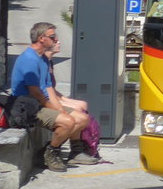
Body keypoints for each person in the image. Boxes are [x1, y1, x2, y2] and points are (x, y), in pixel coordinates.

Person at [10, 22, 91, 171]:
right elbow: (36, 93)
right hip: (27, 106)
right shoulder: (30, 59)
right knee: (67, 122)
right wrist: (56, 110)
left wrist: (60, 108)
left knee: (82, 118)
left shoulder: (42, 59)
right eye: (53, 37)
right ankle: (50, 153)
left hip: (39, 103)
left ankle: (75, 152)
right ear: (41, 38)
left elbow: (48, 88)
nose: (56, 39)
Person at [40, 31, 99, 165]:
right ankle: (63, 149)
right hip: (44, 102)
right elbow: (44, 92)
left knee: (82, 105)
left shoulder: (49, 63)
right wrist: (62, 105)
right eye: (55, 40)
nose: (58, 42)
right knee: (78, 112)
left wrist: (66, 100)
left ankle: (76, 149)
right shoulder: (41, 63)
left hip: (51, 98)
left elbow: (52, 90)